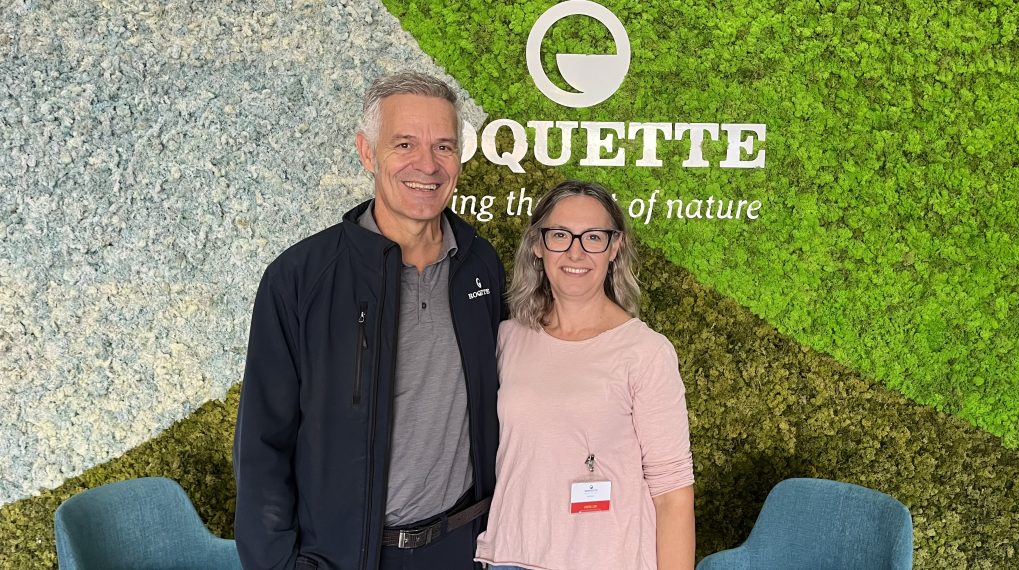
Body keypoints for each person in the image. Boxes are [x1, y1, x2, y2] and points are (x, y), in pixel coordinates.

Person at [233, 72, 506, 570]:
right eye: (405, 144)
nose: (428, 164)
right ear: (367, 152)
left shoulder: (479, 265)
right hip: (346, 558)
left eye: (444, 146)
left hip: (462, 548)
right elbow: (262, 445)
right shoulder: (300, 278)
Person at [474, 180, 696, 570]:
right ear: (538, 245)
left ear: (615, 247)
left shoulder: (645, 352)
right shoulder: (508, 338)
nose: (575, 252)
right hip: (512, 558)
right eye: (560, 235)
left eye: (593, 237)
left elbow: (673, 495)